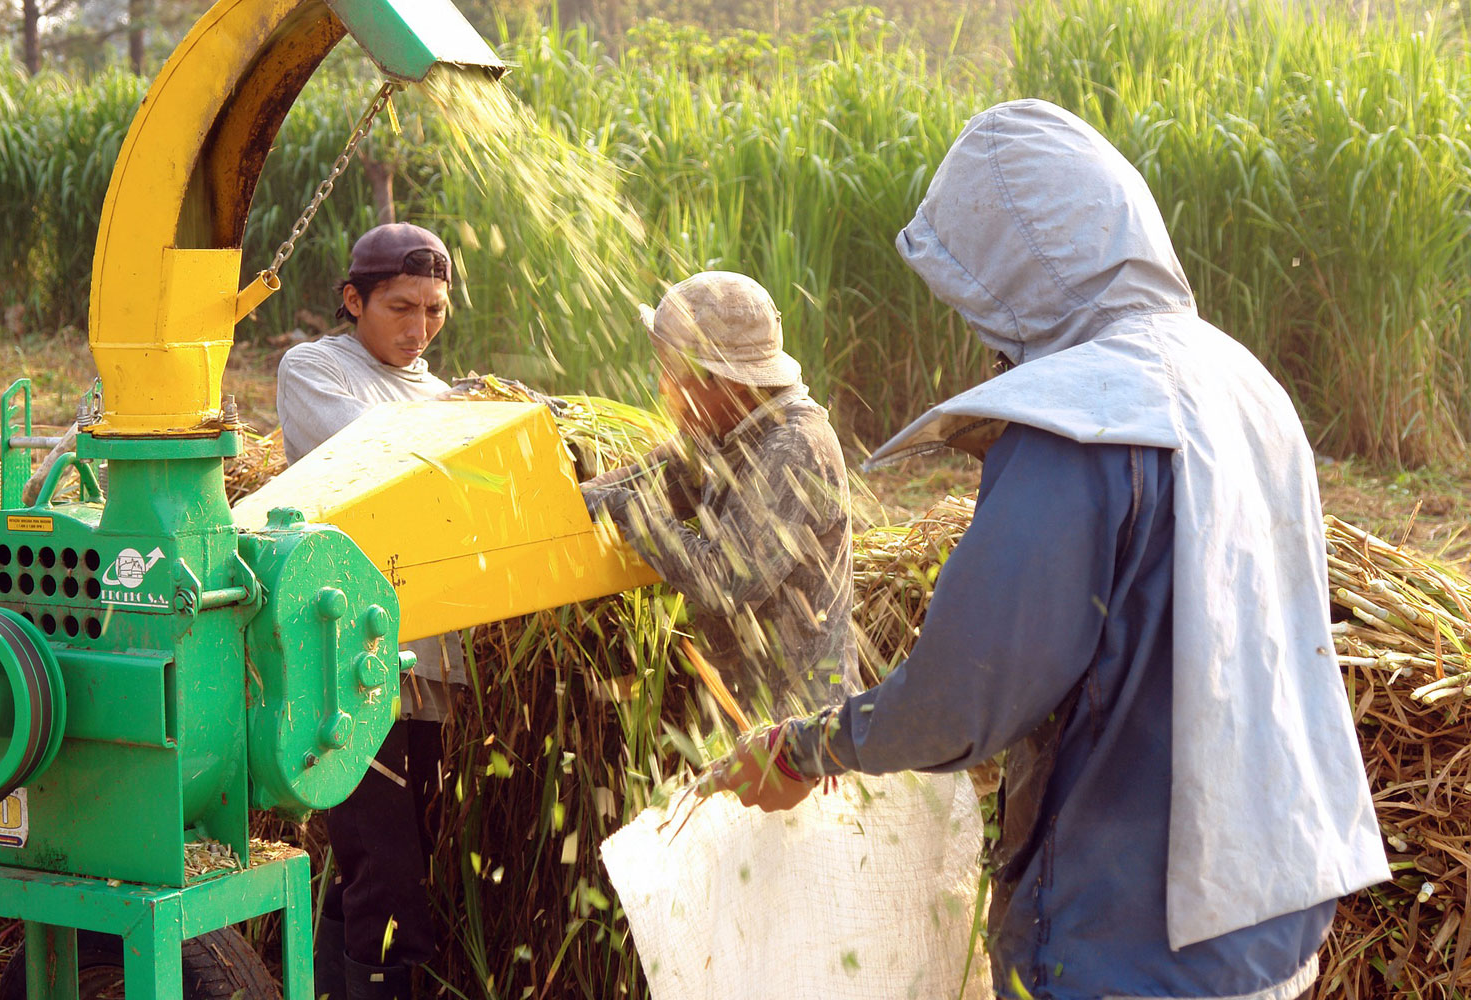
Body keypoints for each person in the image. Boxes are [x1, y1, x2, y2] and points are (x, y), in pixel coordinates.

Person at [702, 100, 1389, 999]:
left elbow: (963, 698)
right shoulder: (1243, 381)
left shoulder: (1086, 422)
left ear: (1017, 269)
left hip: (1133, 941)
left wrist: (803, 749)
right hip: (1275, 904)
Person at [276, 222, 462, 1000]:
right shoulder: (317, 369)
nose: (418, 328)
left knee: (386, 863)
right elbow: (378, 461)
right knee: (385, 879)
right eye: (399, 306)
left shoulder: (443, 394)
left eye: (435, 309)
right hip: (347, 673)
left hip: (430, 668)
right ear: (353, 300)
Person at [583, 271, 859, 713]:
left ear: (729, 383)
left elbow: (726, 583)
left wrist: (629, 510)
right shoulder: (724, 430)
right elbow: (641, 482)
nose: (662, 387)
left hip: (805, 726)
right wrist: (560, 500)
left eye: (674, 374)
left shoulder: (794, 447)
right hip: (743, 711)